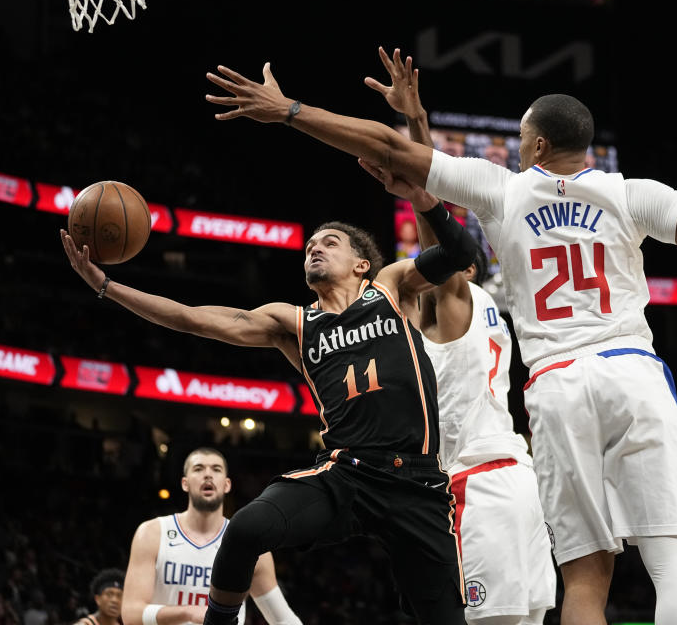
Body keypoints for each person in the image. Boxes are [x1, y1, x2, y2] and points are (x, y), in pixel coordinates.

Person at [203, 54, 677, 625]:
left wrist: (290, 111)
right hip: (630, 370)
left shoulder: (505, 192)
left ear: (538, 144)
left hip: (553, 387)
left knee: (586, 577)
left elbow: (391, 151)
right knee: (673, 563)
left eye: (519, 141)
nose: (515, 150)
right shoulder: (632, 192)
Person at [61, 187, 481, 622]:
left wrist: (423, 197)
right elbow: (190, 317)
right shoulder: (294, 323)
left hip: (416, 482)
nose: (315, 248)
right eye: (309, 247)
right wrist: (107, 287)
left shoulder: (391, 288)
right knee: (245, 528)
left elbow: (461, 249)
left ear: (361, 264)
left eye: (329, 243)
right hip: (346, 473)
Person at [364, 46, 556, 625]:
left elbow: (440, 230)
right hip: (519, 486)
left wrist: (417, 147)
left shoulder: (457, 298)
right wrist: (418, 123)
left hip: (476, 488)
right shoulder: (498, 311)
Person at [119, 448, 302, 625]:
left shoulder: (249, 543)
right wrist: (188, 612)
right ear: (185, 483)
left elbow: (282, 619)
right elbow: (131, 614)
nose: (208, 474)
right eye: (198, 469)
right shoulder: (152, 533)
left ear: (227, 484)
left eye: (216, 469)